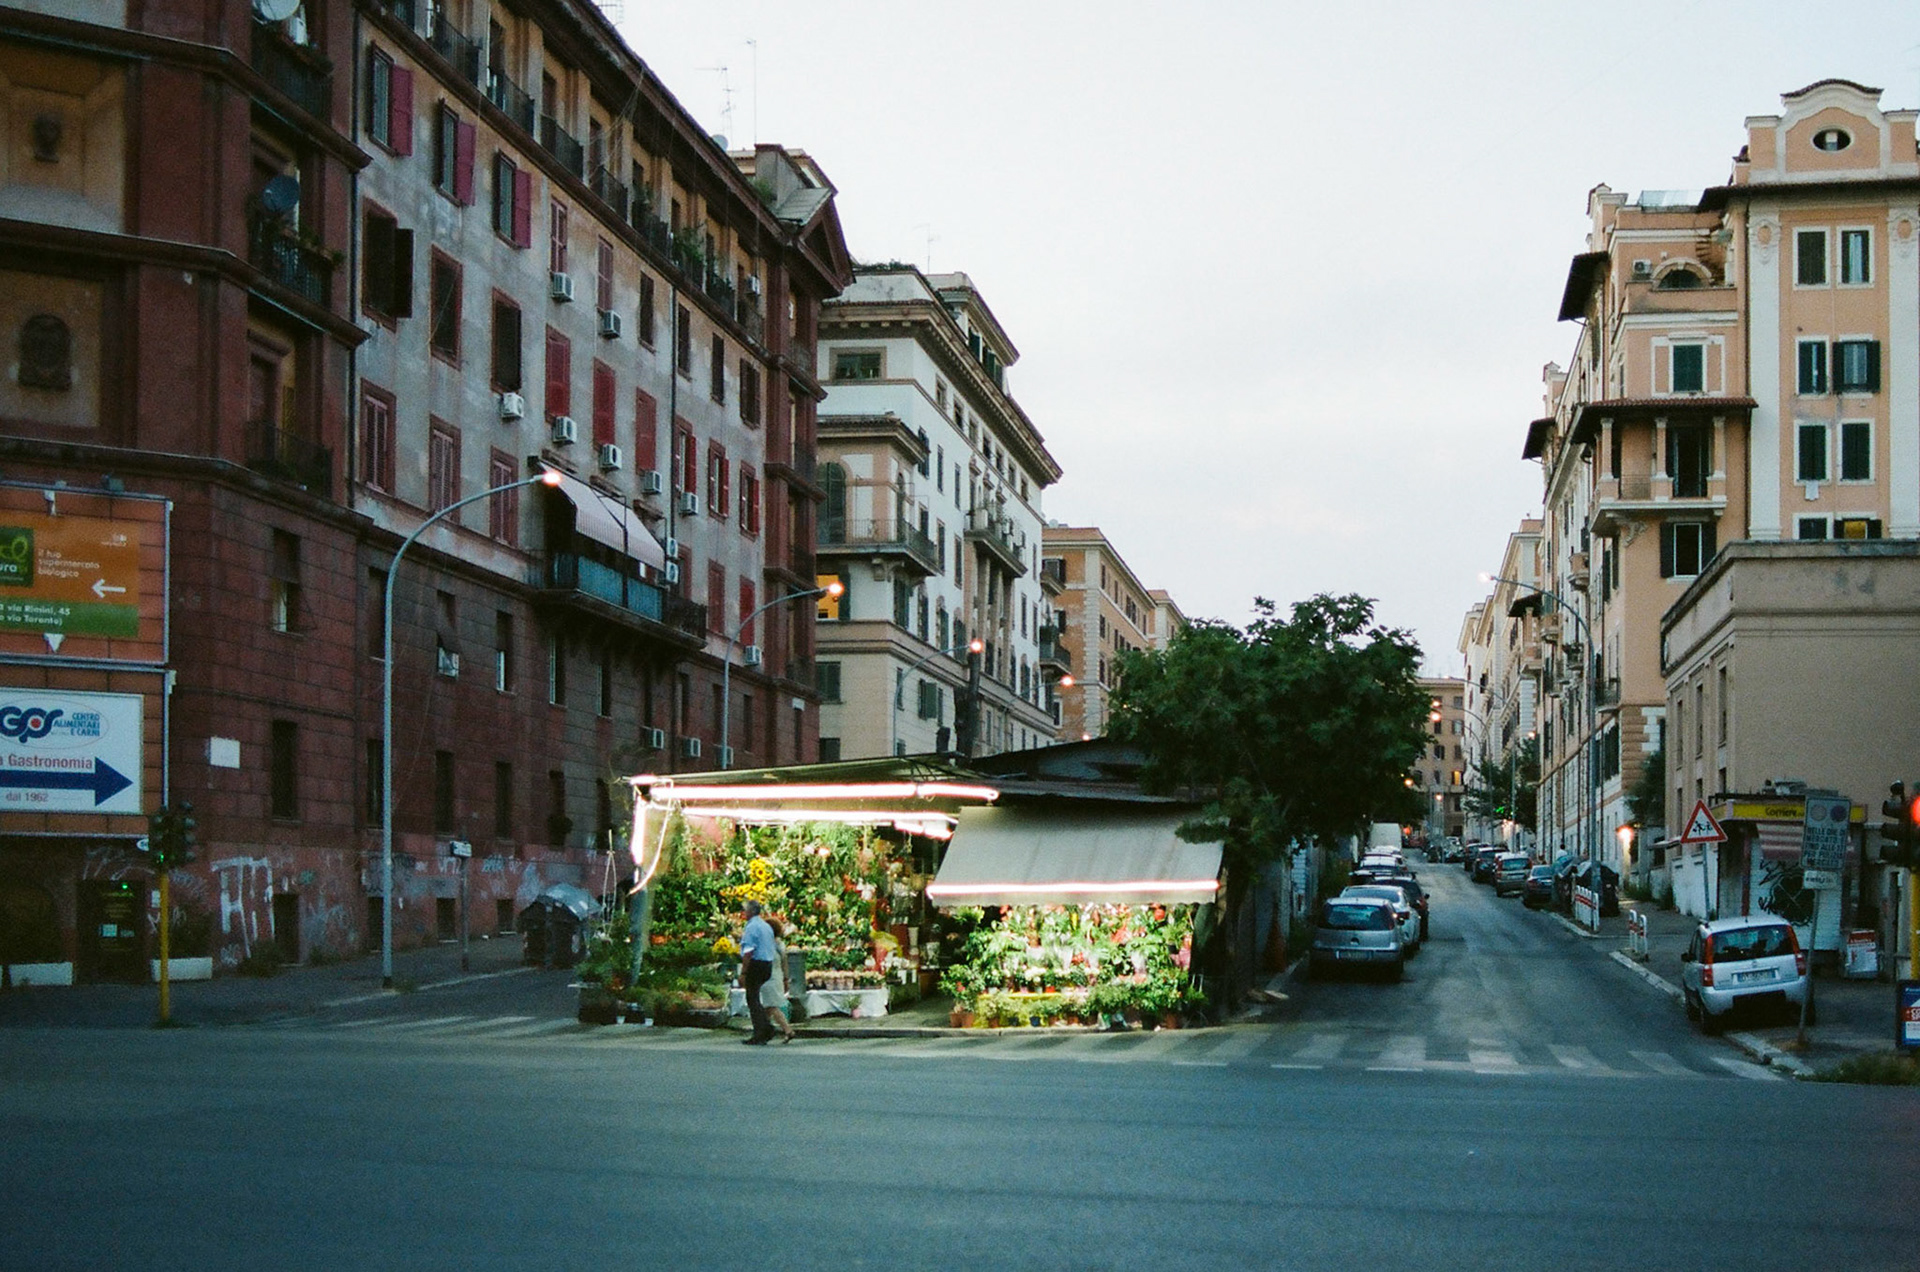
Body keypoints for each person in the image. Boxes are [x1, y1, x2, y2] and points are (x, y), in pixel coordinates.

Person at [738, 900, 777, 1045]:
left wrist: (743, 972)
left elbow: (748, 951)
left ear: (750, 912)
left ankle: (762, 1031)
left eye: (744, 910)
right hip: (767, 963)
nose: (742, 913)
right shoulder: (765, 926)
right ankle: (765, 1028)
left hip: (756, 964)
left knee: (752, 999)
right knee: (755, 999)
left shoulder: (752, 927)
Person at [762, 916, 795, 1043]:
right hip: (777, 976)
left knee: (771, 1006)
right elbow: (785, 963)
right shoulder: (780, 944)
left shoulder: (767, 945)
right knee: (766, 1007)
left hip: (768, 978)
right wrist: (786, 978)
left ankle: (787, 1030)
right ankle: (764, 1030)